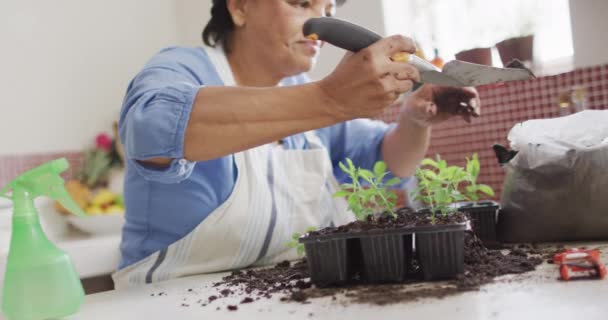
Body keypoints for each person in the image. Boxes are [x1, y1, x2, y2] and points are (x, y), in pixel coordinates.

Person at [112, 0, 480, 288]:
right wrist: (329, 99)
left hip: (282, 298)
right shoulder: (183, 67)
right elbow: (151, 128)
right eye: (301, 3)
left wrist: (414, 120)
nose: (319, 26)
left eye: (328, 10)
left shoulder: (301, 95)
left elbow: (388, 163)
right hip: (166, 304)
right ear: (239, 6)